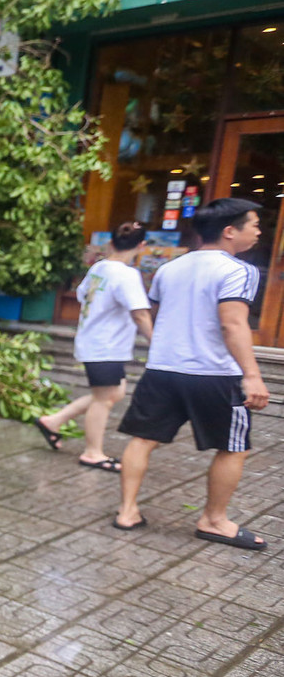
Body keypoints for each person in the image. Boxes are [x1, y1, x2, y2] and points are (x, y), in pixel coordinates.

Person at [113, 197, 270, 549]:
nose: (259, 232)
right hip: (214, 374)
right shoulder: (239, 270)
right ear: (229, 232)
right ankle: (214, 520)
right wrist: (252, 375)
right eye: (254, 225)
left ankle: (127, 512)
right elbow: (233, 324)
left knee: (142, 440)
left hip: (163, 369)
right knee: (233, 448)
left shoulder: (169, 268)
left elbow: (157, 315)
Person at [34, 221, 153, 470]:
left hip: (96, 341)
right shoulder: (127, 275)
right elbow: (140, 313)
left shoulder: (99, 268)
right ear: (141, 245)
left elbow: (81, 295)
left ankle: (53, 421)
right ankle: (92, 453)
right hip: (105, 346)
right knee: (103, 399)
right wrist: (155, 343)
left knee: (114, 393)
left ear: (111, 242)